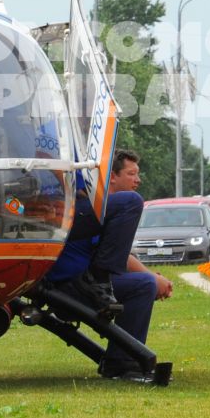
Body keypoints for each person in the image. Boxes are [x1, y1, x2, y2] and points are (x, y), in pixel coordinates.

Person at [43, 149, 172, 382]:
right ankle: (99, 280)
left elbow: (116, 254)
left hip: (83, 281)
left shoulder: (110, 214)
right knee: (132, 202)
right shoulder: (101, 206)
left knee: (142, 285)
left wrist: (151, 277)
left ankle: (121, 365)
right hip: (68, 283)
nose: (138, 180)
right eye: (132, 174)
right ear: (111, 176)